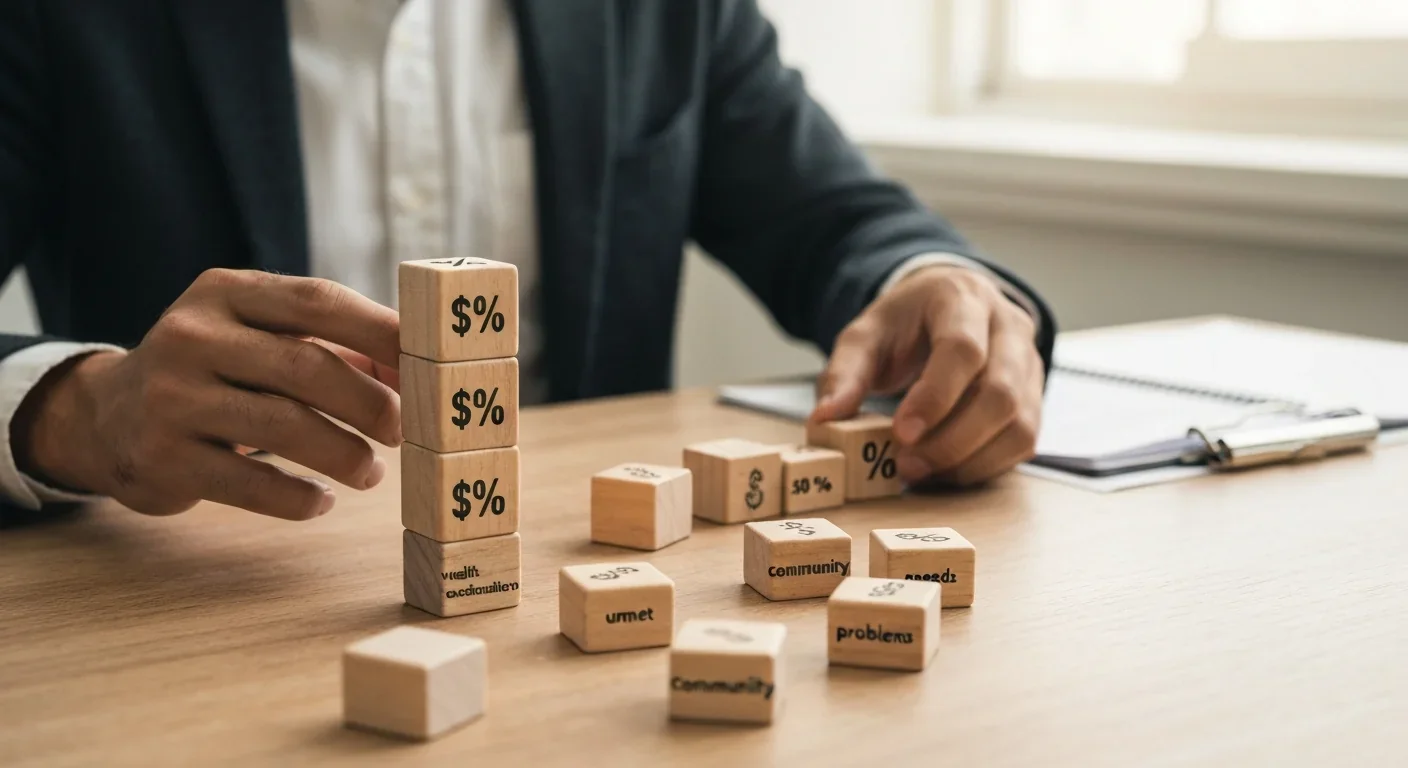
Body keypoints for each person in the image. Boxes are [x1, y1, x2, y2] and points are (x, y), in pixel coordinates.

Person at [0, 0, 1054, 522]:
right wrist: (72, 408)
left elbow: (834, 213)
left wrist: (931, 280)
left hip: (578, 604)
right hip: (188, 616)